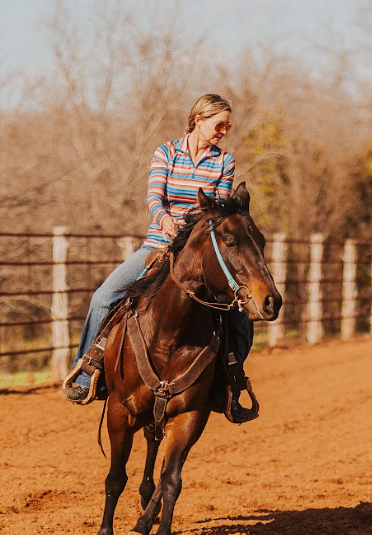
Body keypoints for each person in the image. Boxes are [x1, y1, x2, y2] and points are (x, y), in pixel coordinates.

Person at [59, 93, 254, 416]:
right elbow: (154, 199)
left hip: (199, 252)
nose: (223, 130)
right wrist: (166, 223)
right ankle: (87, 374)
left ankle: (231, 384)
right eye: (220, 124)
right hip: (157, 245)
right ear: (199, 120)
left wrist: (190, 236)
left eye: (227, 126)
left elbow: (216, 213)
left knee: (239, 316)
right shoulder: (166, 152)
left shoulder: (224, 162)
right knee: (104, 296)